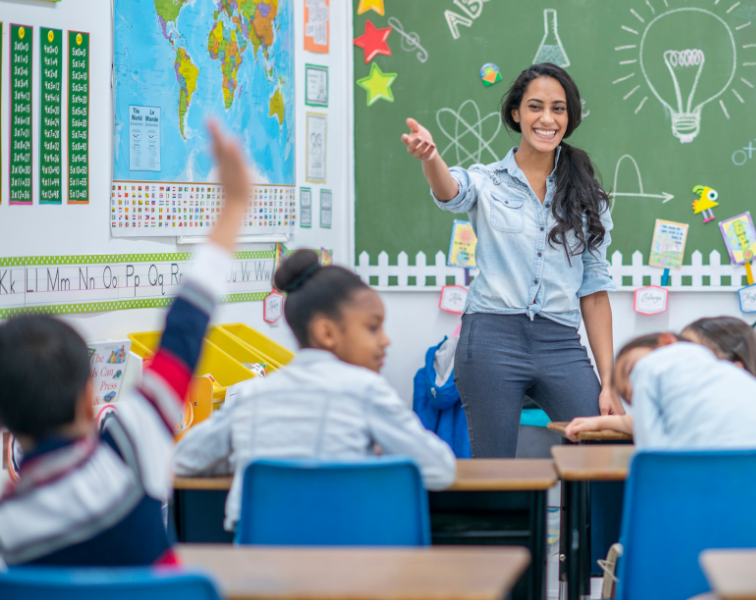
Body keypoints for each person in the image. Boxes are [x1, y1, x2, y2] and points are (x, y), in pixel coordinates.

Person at [0, 122, 251, 566]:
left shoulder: (11, 523)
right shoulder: (132, 450)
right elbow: (185, 330)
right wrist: (233, 207)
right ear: (90, 397)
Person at [401, 63, 618, 458]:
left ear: (570, 118)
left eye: (559, 108)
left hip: (560, 342)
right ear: (516, 112)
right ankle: (502, 521)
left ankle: (588, 524)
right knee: (494, 465)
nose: (547, 119)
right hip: (491, 338)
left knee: (603, 447)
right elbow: (451, 190)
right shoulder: (487, 180)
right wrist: (430, 157)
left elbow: (595, 292)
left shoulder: (588, 196)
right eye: (535, 107)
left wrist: (608, 381)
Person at [173, 250, 457, 532]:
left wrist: (244, 459)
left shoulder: (252, 395)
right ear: (327, 333)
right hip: (346, 557)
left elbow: (182, 459)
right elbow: (440, 469)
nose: (385, 340)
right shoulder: (367, 391)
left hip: (260, 564)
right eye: (373, 328)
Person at [564, 327, 756, 474]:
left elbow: (653, 450)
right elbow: (649, 423)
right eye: (630, 395)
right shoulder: (722, 373)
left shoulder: (652, 369)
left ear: (666, 342)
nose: (634, 385)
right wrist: (601, 423)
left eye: (631, 369)